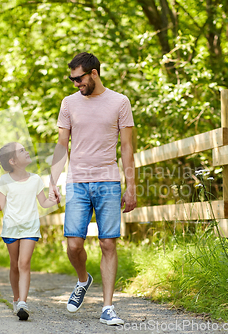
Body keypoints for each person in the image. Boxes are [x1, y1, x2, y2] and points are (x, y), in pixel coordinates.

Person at [49, 52, 137, 326]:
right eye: (72, 79)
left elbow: (127, 147)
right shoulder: (68, 103)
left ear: (94, 73)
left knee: (107, 243)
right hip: (76, 181)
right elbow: (62, 145)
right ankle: (83, 279)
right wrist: (53, 180)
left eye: (78, 79)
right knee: (74, 244)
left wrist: (131, 185)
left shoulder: (120, 102)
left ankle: (108, 307)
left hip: (109, 181)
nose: (75, 84)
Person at [0, 142, 57, 321]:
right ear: (13, 161)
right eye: (22, 150)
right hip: (11, 229)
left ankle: (23, 302)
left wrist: (56, 200)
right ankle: (15, 299)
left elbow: (44, 203)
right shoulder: (4, 181)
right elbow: (0, 205)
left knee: (24, 264)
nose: (27, 151)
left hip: (30, 228)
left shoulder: (36, 179)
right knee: (14, 265)